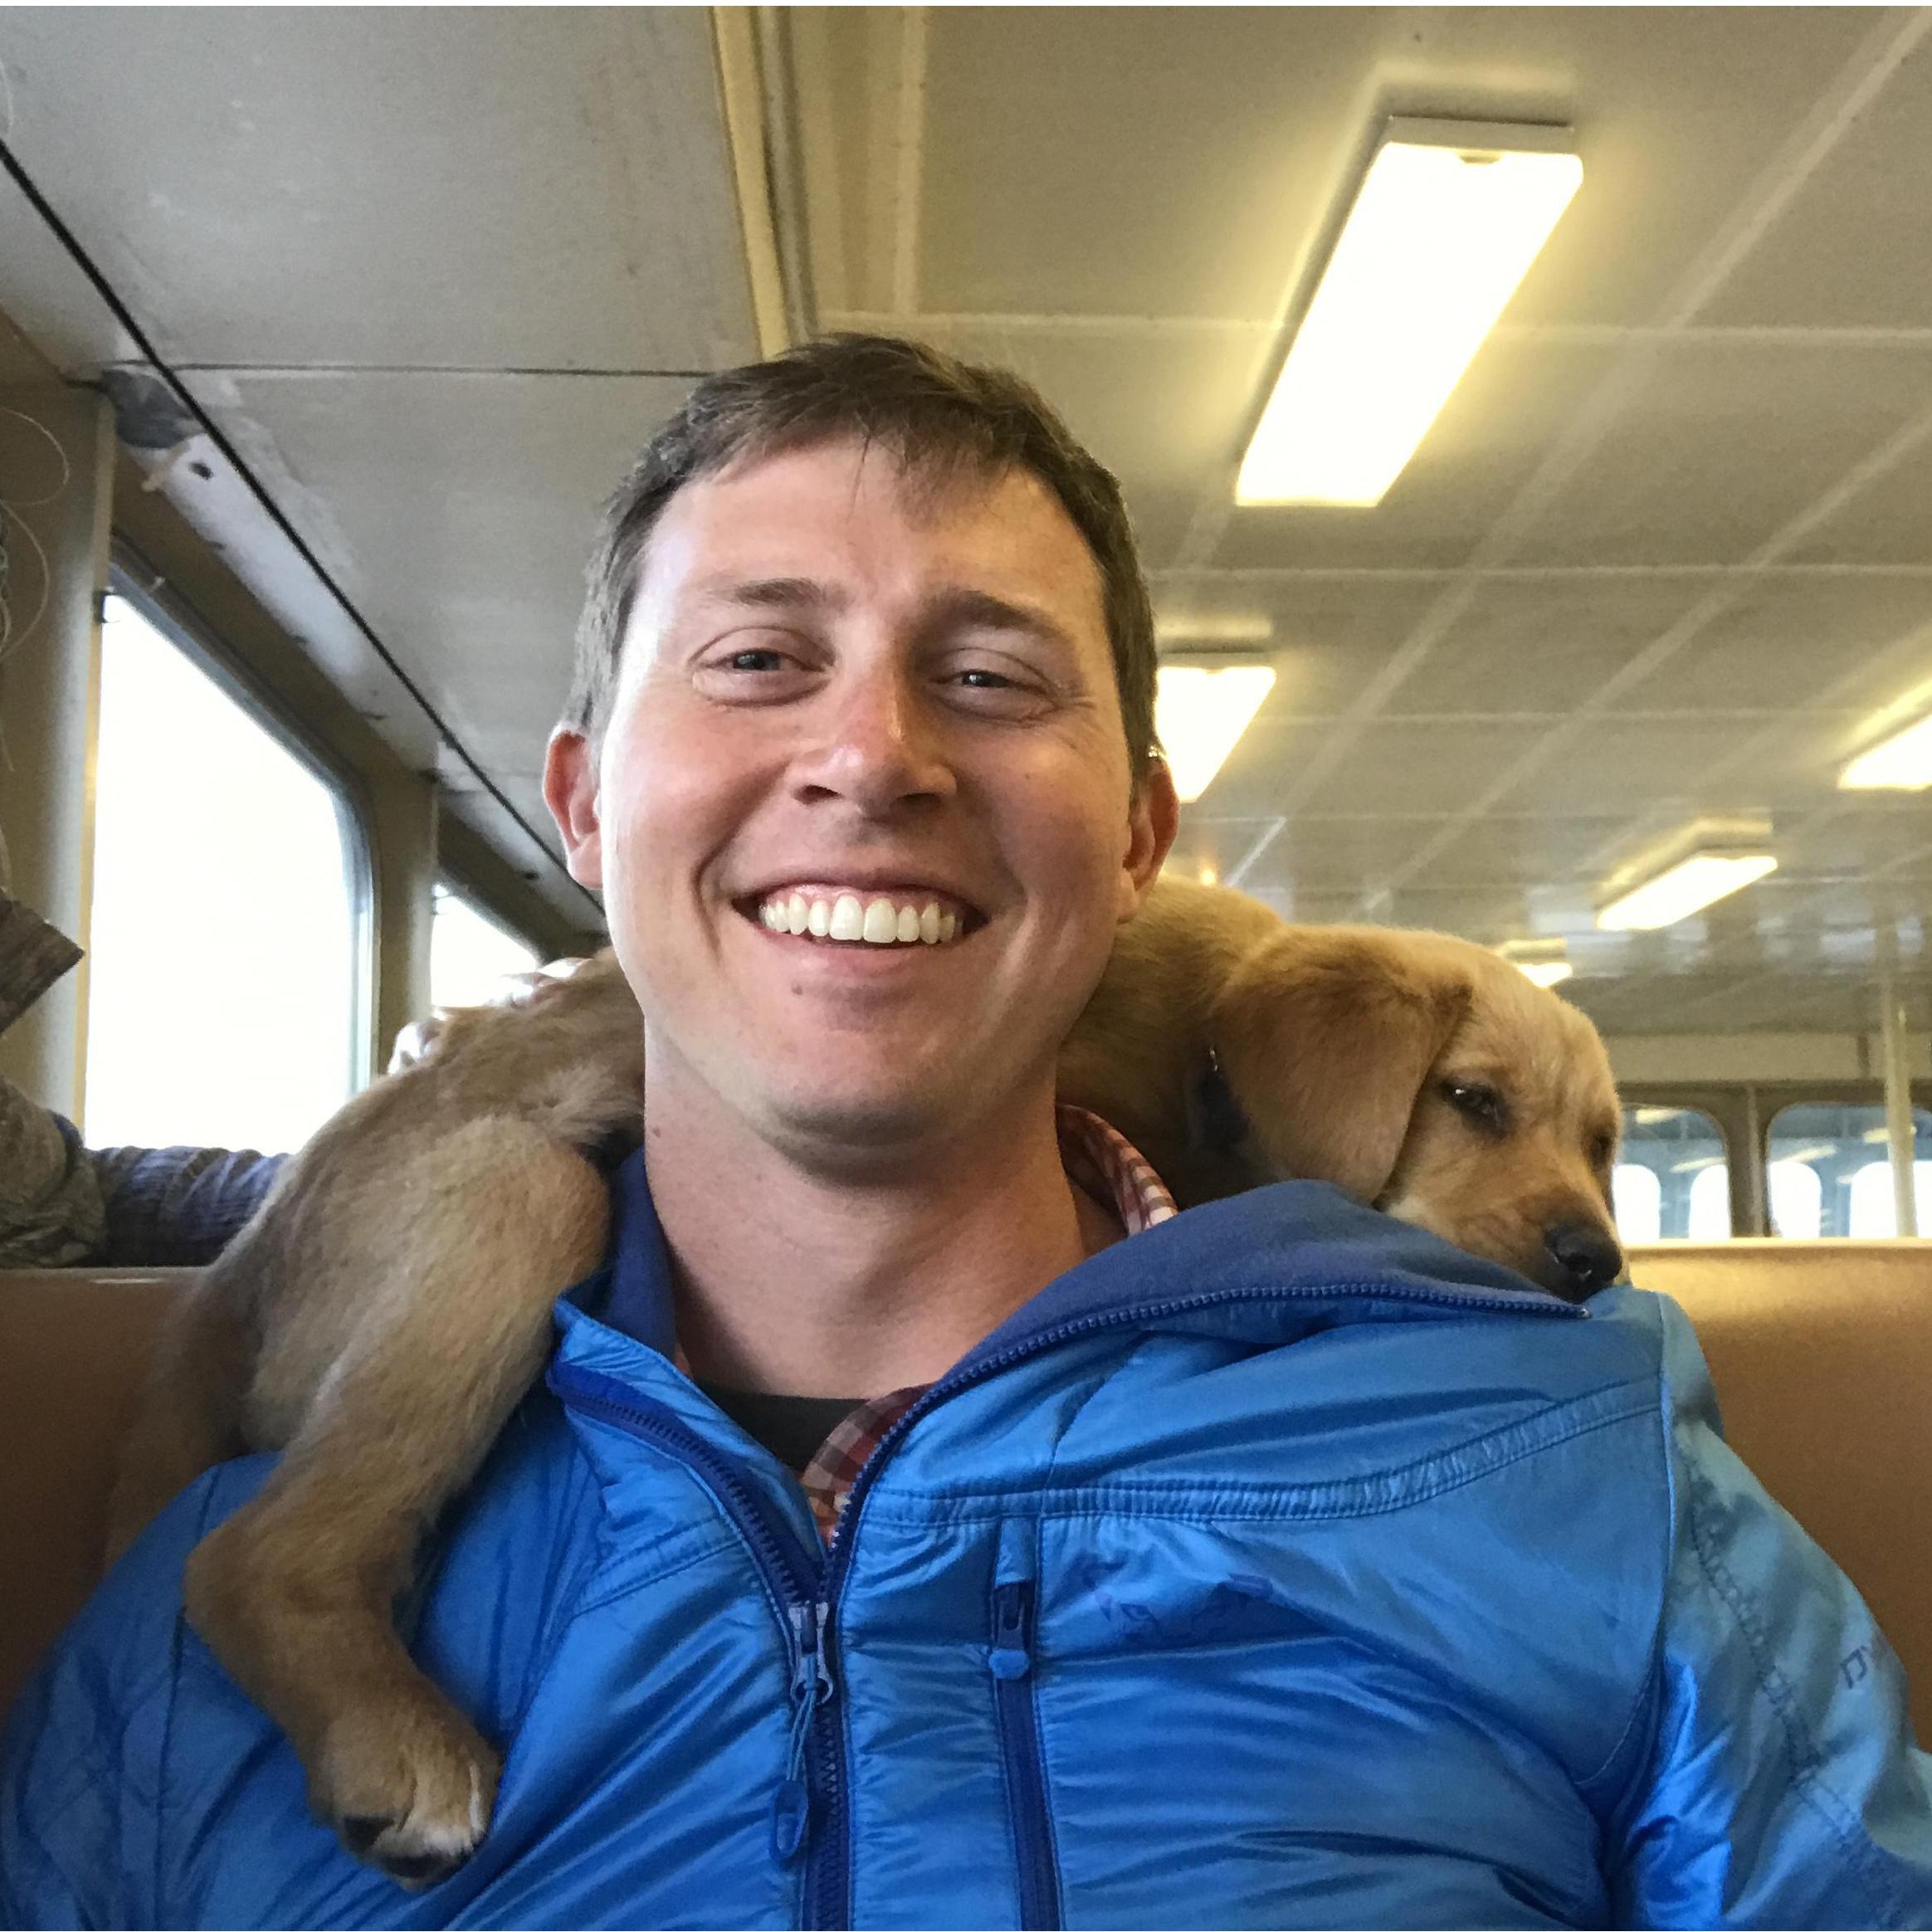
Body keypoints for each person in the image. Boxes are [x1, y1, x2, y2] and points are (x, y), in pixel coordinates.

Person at [3, 334, 1930, 1930]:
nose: (877, 756)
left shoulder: (1577, 1461)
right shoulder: (192, 1646)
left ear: (1142, 836)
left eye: (994, 677)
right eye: (759, 659)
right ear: (586, 816)